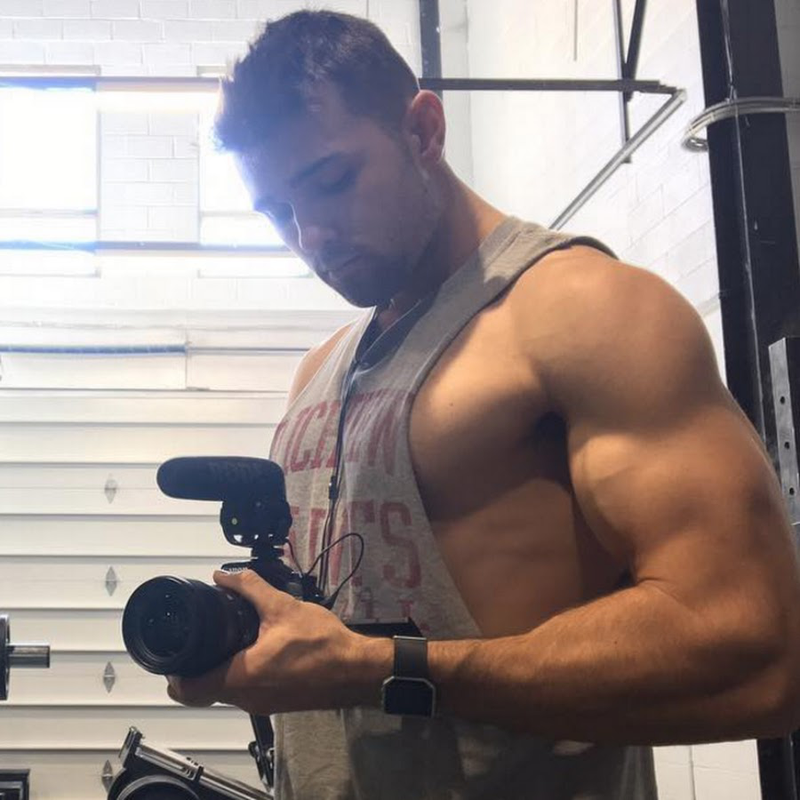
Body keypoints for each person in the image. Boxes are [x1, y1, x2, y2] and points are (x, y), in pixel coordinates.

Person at [167, 9, 800, 799]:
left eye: (331, 182)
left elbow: (756, 651)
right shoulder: (318, 372)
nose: (312, 234)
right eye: (276, 212)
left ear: (423, 131)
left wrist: (384, 670)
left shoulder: (583, 313)